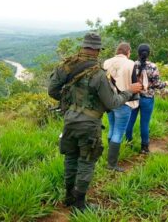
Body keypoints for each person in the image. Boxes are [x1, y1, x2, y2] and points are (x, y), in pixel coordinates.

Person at [48, 33, 141, 212]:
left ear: (83, 47)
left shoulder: (65, 67)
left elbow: (52, 91)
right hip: (89, 124)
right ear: (98, 50)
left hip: (69, 120)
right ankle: (80, 204)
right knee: (86, 161)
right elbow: (112, 103)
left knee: (70, 158)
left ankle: (68, 196)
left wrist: (72, 104)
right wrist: (129, 92)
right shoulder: (97, 74)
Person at [125, 44, 168, 154]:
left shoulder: (131, 65)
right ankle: (144, 148)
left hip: (133, 97)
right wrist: (166, 83)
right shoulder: (153, 66)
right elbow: (157, 84)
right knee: (144, 123)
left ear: (138, 53)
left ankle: (128, 143)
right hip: (147, 98)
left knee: (130, 121)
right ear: (148, 53)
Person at [103, 42, 139, 172]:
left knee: (112, 127)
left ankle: (109, 158)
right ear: (128, 52)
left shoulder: (106, 62)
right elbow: (135, 84)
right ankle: (111, 164)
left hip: (109, 102)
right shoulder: (131, 63)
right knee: (118, 131)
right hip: (124, 101)